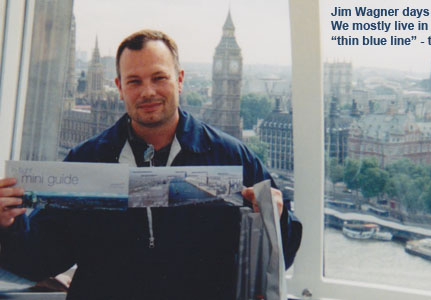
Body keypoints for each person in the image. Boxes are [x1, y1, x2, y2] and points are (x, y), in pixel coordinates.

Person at [0, 29, 302, 299]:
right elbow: (40, 260)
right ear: (119, 87)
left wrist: (277, 219)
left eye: (159, 78)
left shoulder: (234, 157)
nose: (148, 92)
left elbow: (280, 258)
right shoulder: (86, 159)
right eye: (134, 81)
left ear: (180, 80)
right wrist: (8, 225)